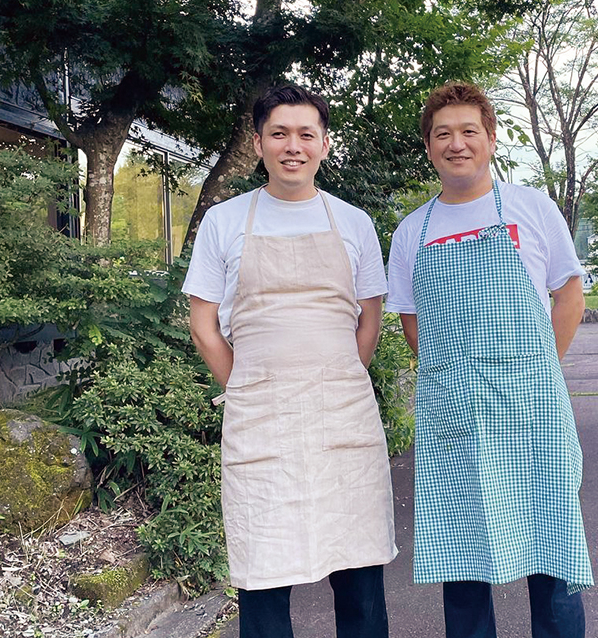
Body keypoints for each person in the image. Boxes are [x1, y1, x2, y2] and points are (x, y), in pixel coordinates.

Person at [182, 85, 397, 638]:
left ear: (325, 145)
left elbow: (368, 318)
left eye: (306, 134)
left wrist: (341, 376)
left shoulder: (354, 222)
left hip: (342, 413)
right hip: (260, 417)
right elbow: (203, 325)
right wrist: (247, 385)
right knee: (262, 573)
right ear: (258, 144)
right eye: (279, 134)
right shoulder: (225, 222)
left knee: (359, 574)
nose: (293, 146)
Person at [386, 82, 594, 638]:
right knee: (462, 563)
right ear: (429, 146)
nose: (457, 144)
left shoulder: (531, 207)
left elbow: (569, 295)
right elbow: (411, 319)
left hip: (534, 414)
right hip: (455, 419)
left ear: (492, 138)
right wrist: (455, 380)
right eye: (443, 134)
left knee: (553, 555)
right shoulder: (412, 231)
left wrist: (540, 372)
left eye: (468, 131)